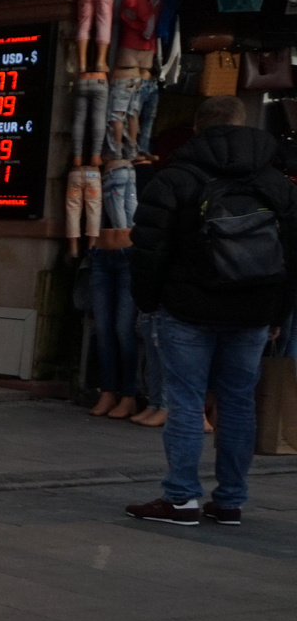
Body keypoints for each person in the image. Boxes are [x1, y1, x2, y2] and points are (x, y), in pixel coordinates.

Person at [126, 96, 297, 527]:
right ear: (244, 126)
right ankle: (230, 501)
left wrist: (149, 302)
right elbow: (292, 256)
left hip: (186, 308)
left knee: (186, 402)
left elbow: (148, 249)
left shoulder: (175, 179)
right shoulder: (276, 183)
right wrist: (278, 311)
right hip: (254, 310)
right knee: (239, 404)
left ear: (198, 129)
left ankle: (181, 498)